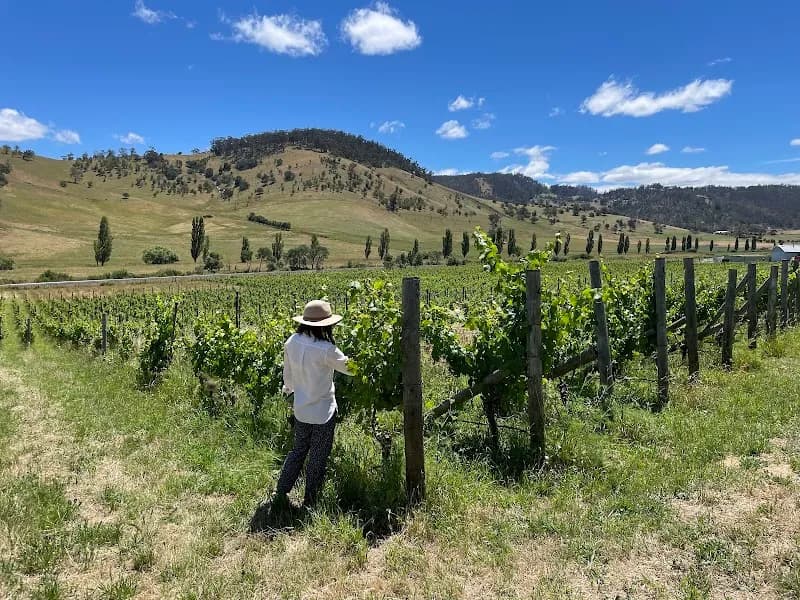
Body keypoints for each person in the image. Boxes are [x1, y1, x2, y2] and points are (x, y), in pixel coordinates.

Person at [273, 299, 352, 508]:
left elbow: (287, 377)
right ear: (326, 325)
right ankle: (310, 501)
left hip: (301, 409)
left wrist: (289, 391)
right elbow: (351, 368)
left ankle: (281, 491)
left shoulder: (292, 341)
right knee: (318, 455)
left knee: (298, 449)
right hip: (323, 412)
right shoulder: (326, 349)